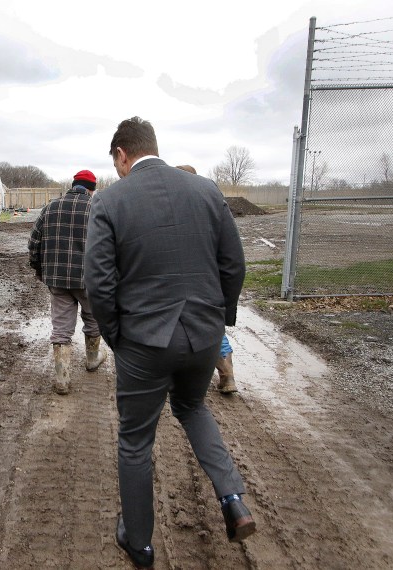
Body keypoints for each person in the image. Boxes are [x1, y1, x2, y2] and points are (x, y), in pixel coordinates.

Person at [85, 117, 255, 569]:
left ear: (122, 155)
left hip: (144, 339)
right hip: (203, 333)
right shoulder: (206, 191)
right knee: (193, 407)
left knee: (136, 441)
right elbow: (233, 265)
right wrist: (220, 319)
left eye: (116, 163)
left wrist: (117, 336)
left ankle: (139, 544)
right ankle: (233, 498)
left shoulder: (109, 200)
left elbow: (99, 281)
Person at [28, 170, 107, 395]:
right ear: (91, 188)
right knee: (93, 319)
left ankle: (62, 378)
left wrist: (40, 270)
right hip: (89, 279)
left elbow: (34, 242)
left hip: (57, 278)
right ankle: (92, 359)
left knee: (61, 329)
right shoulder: (96, 208)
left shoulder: (51, 207)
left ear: (73, 185)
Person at [176, 164, 239, 394]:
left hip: (187, 281)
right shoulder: (209, 204)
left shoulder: (177, 209)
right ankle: (227, 375)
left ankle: (182, 377)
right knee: (213, 329)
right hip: (210, 282)